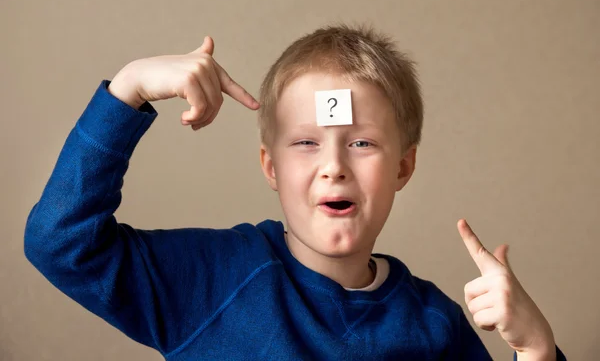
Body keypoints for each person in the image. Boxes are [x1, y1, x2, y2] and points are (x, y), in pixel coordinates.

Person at [24, 24, 566, 360]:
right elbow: (60, 243)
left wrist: (535, 349)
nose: (333, 166)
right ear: (271, 167)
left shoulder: (434, 325)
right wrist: (129, 89)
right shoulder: (211, 282)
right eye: (306, 142)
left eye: (360, 142)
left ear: (404, 167)